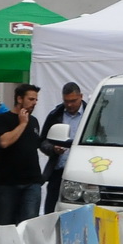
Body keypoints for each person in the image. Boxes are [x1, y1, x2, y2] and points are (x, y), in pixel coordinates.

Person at [0, 83, 44, 226]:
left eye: (36, 100)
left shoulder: (34, 122)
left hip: (31, 181)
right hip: (8, 183)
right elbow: (4, 142)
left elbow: (35, 145)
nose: (34, 103)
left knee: (29, 225)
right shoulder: (1, 120)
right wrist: (22, 124)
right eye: (31, 99)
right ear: (19, 99)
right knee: (6, 225)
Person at [39, 82, 85, 212]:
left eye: (73, 101)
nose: (69, 105)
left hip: (82, 171)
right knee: (51, 209)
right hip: (58, 170)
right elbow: (43, 141)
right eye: (66, 101)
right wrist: (53, 149)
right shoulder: (55, 115)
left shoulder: (91, 114)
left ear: (81, 96)